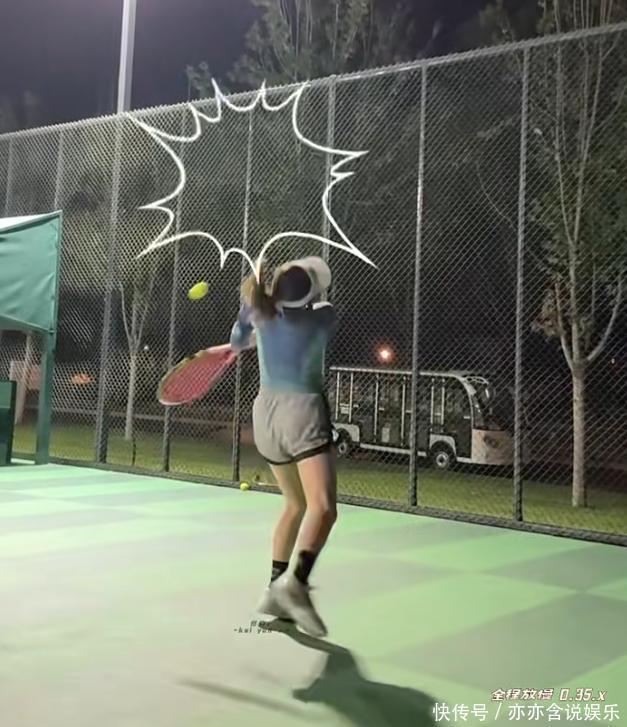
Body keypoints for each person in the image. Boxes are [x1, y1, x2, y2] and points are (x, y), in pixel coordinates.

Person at [230, 257, 338, 638]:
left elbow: (238, 342)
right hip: (302, 414)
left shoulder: (257, 313)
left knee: (295, 505)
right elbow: (309, 307)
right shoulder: (323, 316)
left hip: (266, 419)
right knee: (323, 508)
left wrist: (254, 309)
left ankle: (274, 589)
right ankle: (295, 583)